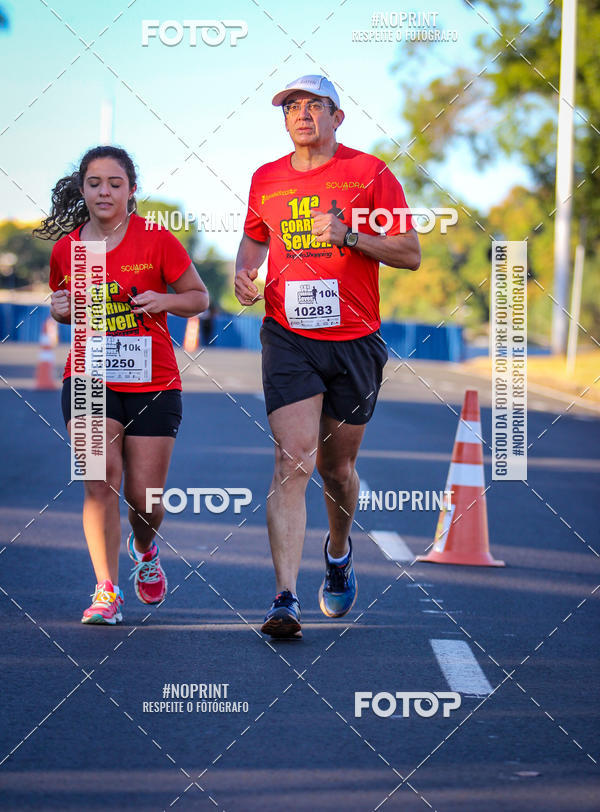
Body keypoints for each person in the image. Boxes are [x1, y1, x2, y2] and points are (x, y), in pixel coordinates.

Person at [235, 74, 421, 638]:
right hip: (288, 335)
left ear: (338, 116)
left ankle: (338, 552)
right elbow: (254, 237)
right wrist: (245, 273)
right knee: (293, 460)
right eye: (291, 106)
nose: (302, 114)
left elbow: (410, 252)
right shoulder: (265, 178)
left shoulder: (371, 173)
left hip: (356, 340)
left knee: (336, 469)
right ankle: (284, 598)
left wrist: (348, 236)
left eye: (314, 105)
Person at [35, 146, 209, 625]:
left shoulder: (156, 240)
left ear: (132, 190)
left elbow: (199, 297)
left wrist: (164, 300)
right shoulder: (67, 248)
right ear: (82, 189)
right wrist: (60, 309)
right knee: (99, 480)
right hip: (89, 377)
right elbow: (60, 300)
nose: (104, 191)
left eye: (115, 183)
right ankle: (106, 590)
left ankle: (146, 546)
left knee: (145, 497)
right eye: (94, 183)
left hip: (152, 380)